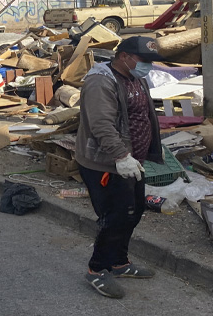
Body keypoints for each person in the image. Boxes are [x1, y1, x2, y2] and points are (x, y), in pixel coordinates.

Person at [75, 36, 164, 299]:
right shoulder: (101, 81)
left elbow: (143, 115)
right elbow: (101, 124)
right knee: (115, 217)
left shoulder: (136, 78)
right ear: (124, 56)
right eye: (144, 60)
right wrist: (121, 156)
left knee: (133, 212)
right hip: (108, 163)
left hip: (132, 162)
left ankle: (119, 263)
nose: (148, 65)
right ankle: (97, 269)